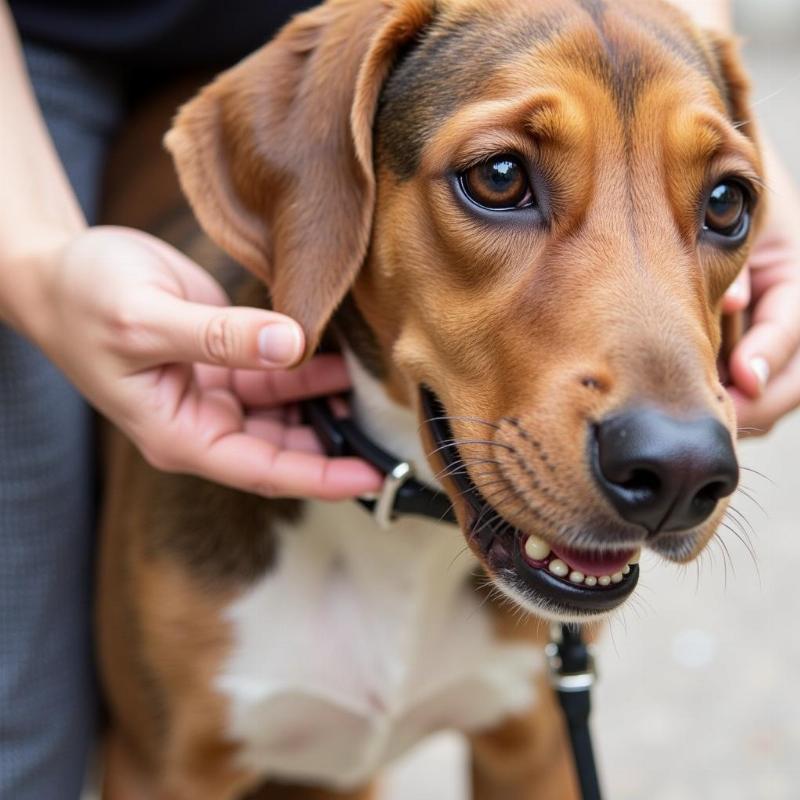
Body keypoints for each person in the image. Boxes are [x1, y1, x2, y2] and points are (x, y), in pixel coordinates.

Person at [0, 1, 797, 798]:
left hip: (387, 66)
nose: (678, 450)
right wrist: (34, 262)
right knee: (20, 750)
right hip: (42, 56)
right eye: (502, 177)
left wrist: (725, 127)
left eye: (723, 204)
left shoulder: (554, 512)